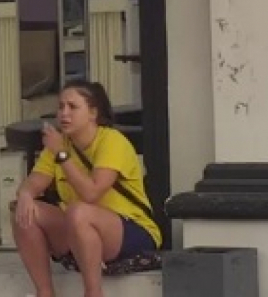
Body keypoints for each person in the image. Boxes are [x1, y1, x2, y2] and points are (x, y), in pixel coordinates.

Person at [12, 80, 161, 297]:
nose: (64, 114)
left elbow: (91, 193)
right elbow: (35, 181)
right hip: (79, 229)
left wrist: (62, 155)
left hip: (130, 230)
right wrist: (25, 193)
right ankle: (44, 293)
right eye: (61, 107)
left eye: (72, 107)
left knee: (79, 211)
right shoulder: (61, 143)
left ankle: (93, 292)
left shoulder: (111, 141)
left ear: (92, 113)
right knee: (25, 211)